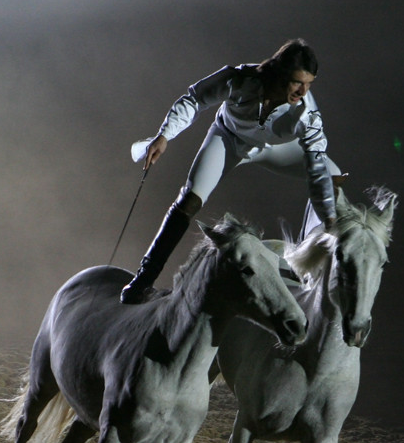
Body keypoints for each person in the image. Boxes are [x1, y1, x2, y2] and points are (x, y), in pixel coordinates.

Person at [120, 38, 343, 304]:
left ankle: (306, 265)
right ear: (278, 74)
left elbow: (317, 163)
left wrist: (329, 216)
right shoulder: (240, 79)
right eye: (297, 82)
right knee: (189, 200)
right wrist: (165, 135)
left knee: (333, 175)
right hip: (229, 140)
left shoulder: (307, 114)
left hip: (276, 149)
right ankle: (143, 279)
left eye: (309, 84)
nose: (303, 91)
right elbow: (195, 98)